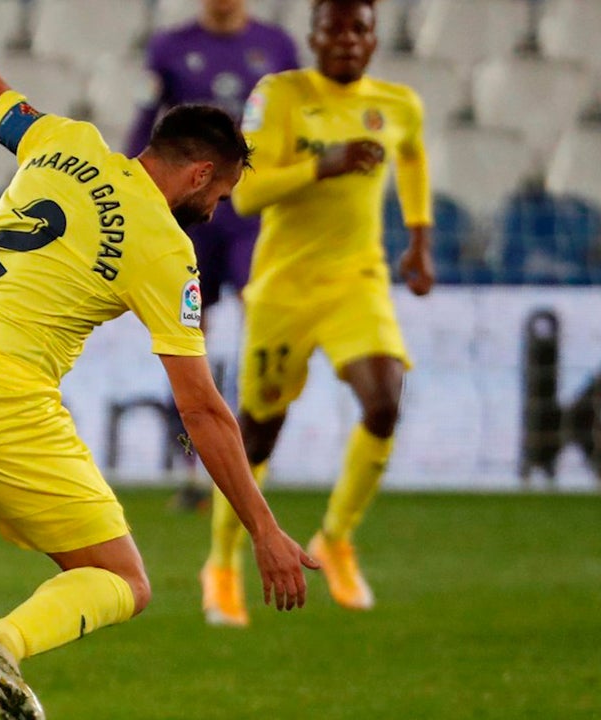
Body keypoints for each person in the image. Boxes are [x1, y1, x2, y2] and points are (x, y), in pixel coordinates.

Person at [0, 2, 317, 719]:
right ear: (200, 172)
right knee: (122, 579)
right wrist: (264, 529)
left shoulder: (61, 142)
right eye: (220, 193)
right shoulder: (166, 250)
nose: (216, 210)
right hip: (0, 399)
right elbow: (202, 409)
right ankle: (3, 641)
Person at [200, 0, 434, 628]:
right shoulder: (279, 96)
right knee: (257, 435)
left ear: (374, 37)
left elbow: (411, 156)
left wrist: (419, 235)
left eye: (359, 28)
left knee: (385, 400)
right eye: (335, 28)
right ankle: (222, 563)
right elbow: (245, 193)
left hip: (358, 282)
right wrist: (322, 164)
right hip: (283, 287)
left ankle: (337, 536)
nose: (347, 40)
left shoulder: (399, 105)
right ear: (314, 36)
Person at [126, 0, 299, 509]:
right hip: (187, 219)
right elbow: (144, 127)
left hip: (251, 216)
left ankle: (251, 463)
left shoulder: (279, 48)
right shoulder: (169, 48)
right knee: (186, 342)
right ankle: (194, 472)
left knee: (262, 330)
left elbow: (300, 129)